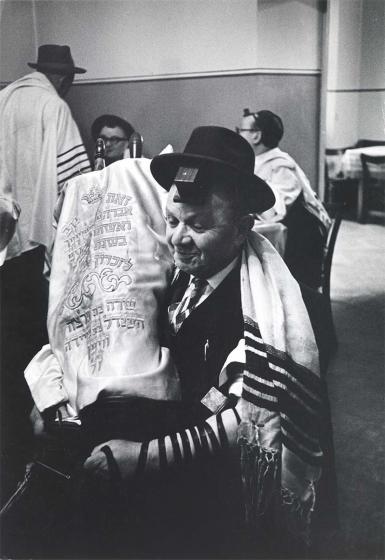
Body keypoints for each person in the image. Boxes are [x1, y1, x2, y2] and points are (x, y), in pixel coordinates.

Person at [83, 126, 328, 557]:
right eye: (174, 221)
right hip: (177, 413)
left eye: (198, 225)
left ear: (242, 229)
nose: (177, 238)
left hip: (220, 477)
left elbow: (248, 420)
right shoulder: (179, 272)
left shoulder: (260, 313)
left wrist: (141, 457)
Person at [0, 44, 91, 497]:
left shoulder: (4, 97)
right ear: (66, 78)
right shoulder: (54, 106)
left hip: (4, 238)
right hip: (38, 243)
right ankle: (36, 433)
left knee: (7, 340)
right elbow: (76, 186)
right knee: (38, 341)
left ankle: (10, 434)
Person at [238, 108, 331, 289]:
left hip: (303, 241)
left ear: (256, 136)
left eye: (241, 131)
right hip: (287, 232)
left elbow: (276, 209)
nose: (239, 135)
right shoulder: (258, 161)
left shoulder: (281, 166)